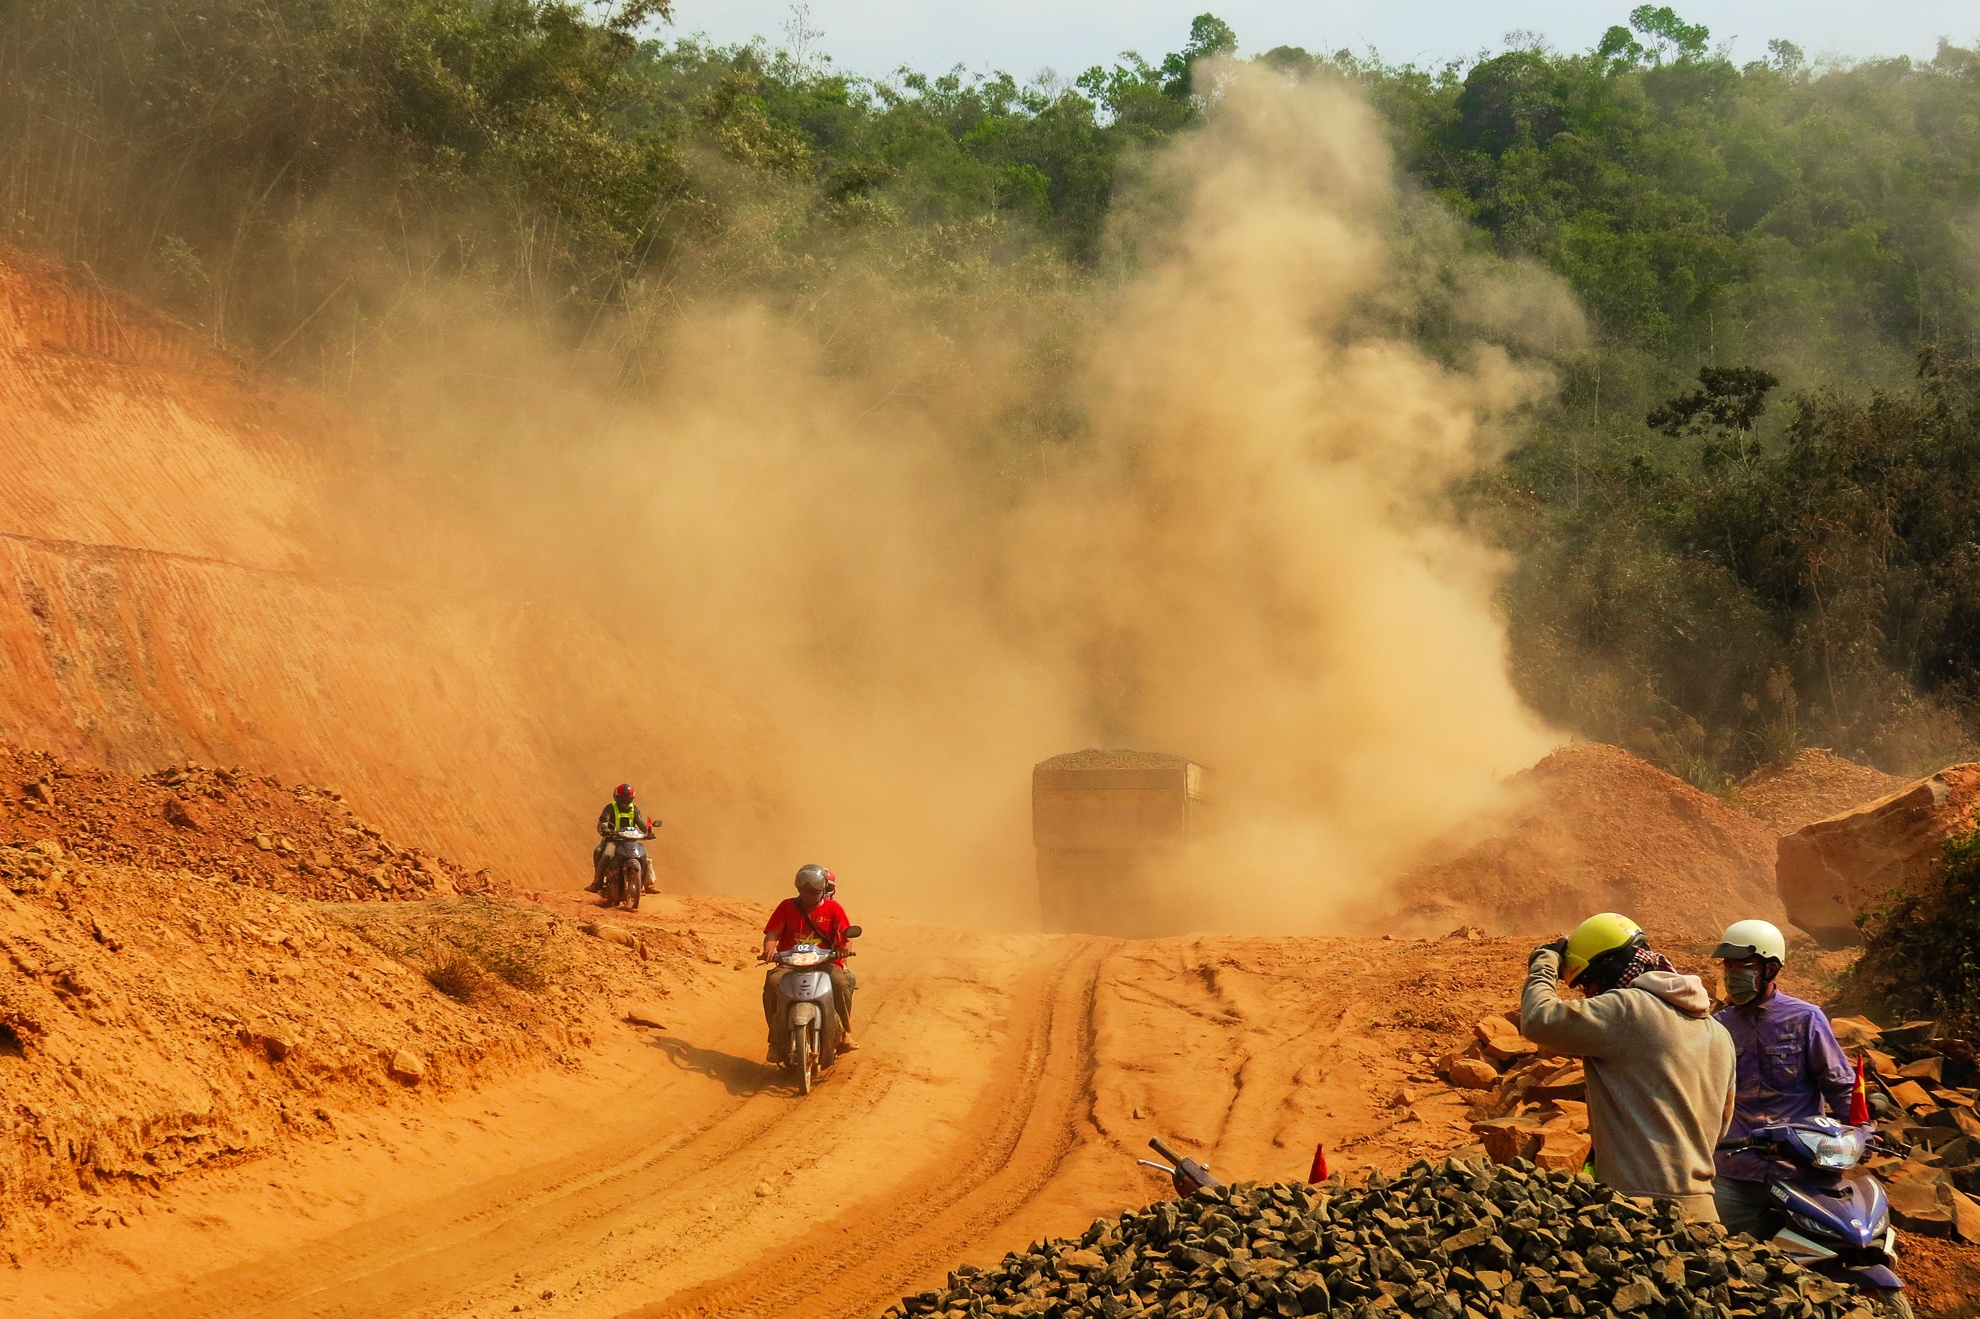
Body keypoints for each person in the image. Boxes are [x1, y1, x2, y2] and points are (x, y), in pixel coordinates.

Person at [1522, 912, 1737, 1221]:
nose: (1589, 995)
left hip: (1639, 1211)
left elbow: (1538, 1019)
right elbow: (1722, 1123)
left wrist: (1544, 963)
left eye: (1589, 984)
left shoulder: (1627, 1009)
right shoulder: (1718, 1033)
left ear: (1609, 968)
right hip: (1703, 1210)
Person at [1711, 917, 1857, 1238]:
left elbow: (1840, 1085)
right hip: (1735, 1173)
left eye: (1742, 966)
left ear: (1771, 968)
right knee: (1714, 1250)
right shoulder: (1718, 1025)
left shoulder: (1805, 1019)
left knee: (1828, 1247)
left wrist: (1862, 1132)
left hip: (1802, 1171)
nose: (1732, 975)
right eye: (1727, 966)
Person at [759, 864, 857, 1065]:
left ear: (823, 890)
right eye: (804, 891)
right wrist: (769, 949)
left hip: (825, 962)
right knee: (773, 982)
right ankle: (775, 1041)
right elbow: (773, 932)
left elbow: (845, 935)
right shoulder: (787, 906)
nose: (808, 895)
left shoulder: (834, 909)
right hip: (791, 963)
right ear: (798, 889)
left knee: (841, 983)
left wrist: (844, 948)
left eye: (813, 892)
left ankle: (844, 1032)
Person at [589, 783, 657, 894]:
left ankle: (649, 884)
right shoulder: (610, 808)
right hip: (613, 840)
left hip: (630, 841)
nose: (624, 801)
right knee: (605, 854)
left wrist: (648, 832)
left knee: (645, 857)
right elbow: (604, 821)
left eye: (627, 798)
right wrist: (604, 829)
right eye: (622, 798)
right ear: (617, 797)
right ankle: (598, 882)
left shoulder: (634, 809)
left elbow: (641, 823)